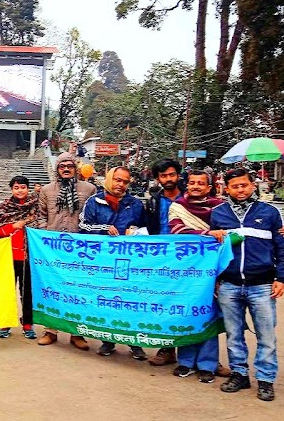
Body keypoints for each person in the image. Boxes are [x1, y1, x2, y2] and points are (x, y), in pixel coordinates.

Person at [210, 168, 284, 402]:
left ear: (253, 185)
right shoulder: (218, 214)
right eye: (235, 186)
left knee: (266, 336)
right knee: (233, 334)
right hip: (229, 286)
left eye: (244, 185)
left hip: (262, 285)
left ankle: (265, 380)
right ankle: (239, 374)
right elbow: (213, 252)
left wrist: (281, 278)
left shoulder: (270, 213)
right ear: (226, 188)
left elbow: (282, 248)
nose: (240, 190)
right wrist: (216, 280)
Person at [79, 166, 148, 360]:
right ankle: (107, 341)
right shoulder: (94, 201)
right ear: (109, 179)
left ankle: (135, 343)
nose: (121, 184)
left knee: (131, 302)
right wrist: (104, 228)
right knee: (106, 300)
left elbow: (145, 228)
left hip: (130, 260)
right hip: (103, 261)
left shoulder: (134, 204)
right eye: (117, 180)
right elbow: (83, 226)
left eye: (125, 181)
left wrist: (135, 231)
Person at [167, 170, 225, 383]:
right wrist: (208, 234)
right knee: (186, 313)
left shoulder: (219, 207)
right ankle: (185, 362)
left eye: (201, 183)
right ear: (187, 185)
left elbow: (226, 232)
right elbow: (178, 231)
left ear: (209, 188)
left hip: (210, 270)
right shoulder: (178, 206)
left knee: (208, 315)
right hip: (185, 269)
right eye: (192, 183)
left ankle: (207, 365)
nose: (196, 186)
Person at [36, 152, 97, 350]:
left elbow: (92, 217)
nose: (66, 169)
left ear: (75, 168)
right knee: (52, 288)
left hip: (79, 250)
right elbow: (42, 215)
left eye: (70, 166)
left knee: (77, 290)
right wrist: (46, 236)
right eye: (62, 166)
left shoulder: (89, 189)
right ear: (57, 169)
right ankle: (50, 330)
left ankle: (76, 333)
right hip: (53, 250)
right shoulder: (47, 190)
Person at [145, 159, 183, 367]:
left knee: (192, 303)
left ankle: (195, 355)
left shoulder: (191, 197)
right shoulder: (153, 202)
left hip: (191, 260)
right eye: (163, 176)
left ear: (178, 175)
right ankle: (167, 349)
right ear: (157, 179)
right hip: (163, 260)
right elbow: (149, 229)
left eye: (171, 175)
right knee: (165, 304)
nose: (168, 179)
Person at [0, 176, 39, 339]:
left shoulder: (36, 207)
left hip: (28, 257)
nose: (20, 190)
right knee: (7, 292)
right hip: (8, 258)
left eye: (23, 187)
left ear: (28, 188)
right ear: (12, 189)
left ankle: (27, 324)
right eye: (17, 187)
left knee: (27, 293)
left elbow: (41, 227)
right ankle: (5, 323)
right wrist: (14, 226)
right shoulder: (5, 207)